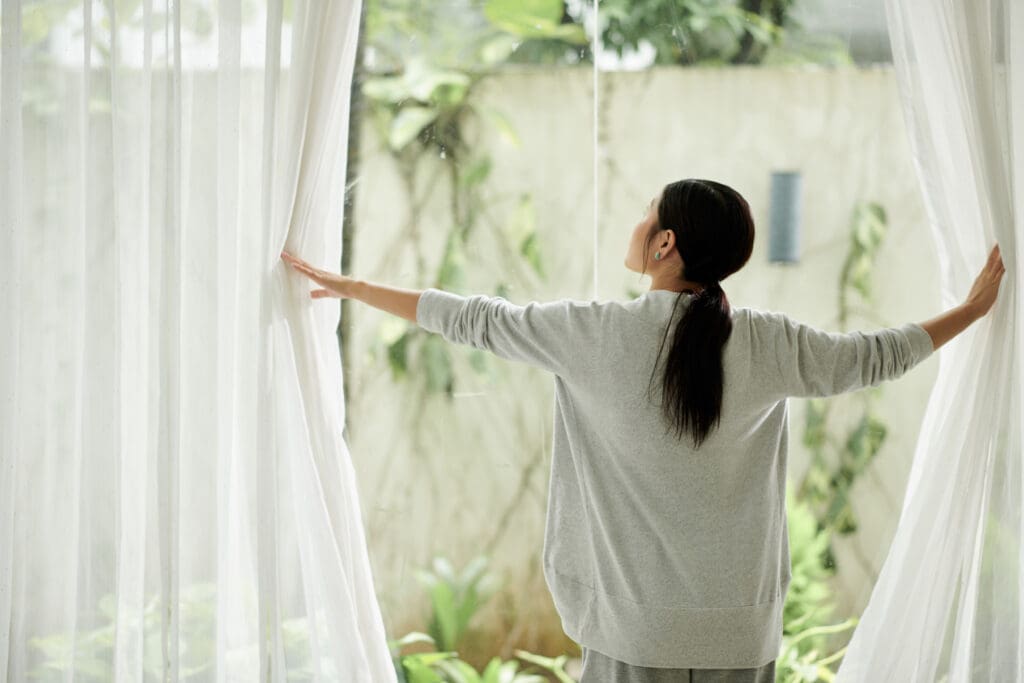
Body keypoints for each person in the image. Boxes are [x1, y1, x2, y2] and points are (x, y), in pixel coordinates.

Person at [281, 178, 1005, 683]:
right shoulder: (768, 342)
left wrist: (355, 288)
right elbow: (873, 356)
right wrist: (970, 313)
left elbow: (474, 317)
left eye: (644, 213)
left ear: (664, 243)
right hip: (740, 636)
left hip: (634, 636)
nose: (634, 222)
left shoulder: (592, 334)